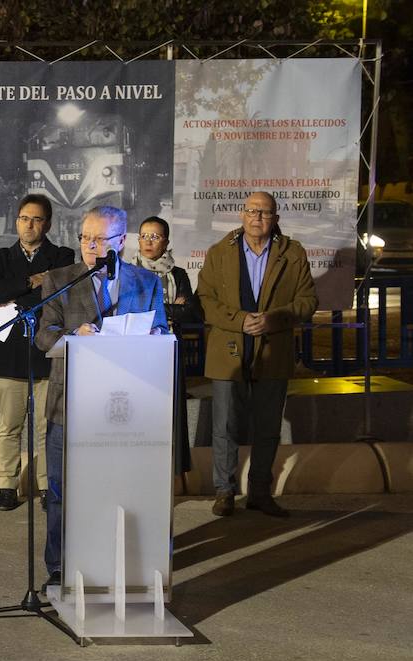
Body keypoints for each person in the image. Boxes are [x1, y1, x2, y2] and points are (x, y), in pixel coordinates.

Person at [34, 205, 168, 590]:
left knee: (120, 489)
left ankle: (120, 560)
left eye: (99, 239)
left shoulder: (145, 282)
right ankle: (59, 565)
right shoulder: (59, 279)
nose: (90, 246)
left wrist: (152, 338)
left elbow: (159, 328)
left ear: (120, 242)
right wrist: (76, 337)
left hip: (125, 406)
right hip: (70, 404)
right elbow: (44, 335)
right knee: (61, 491)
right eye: (85, 238)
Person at [198, 192, 317, 518]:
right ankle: (224, 491)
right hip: (227, 352)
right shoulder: (220, 252)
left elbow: (308, 301)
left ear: (275, 218)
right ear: (242, 215)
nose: (258, 218)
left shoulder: (292, 254)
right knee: (224, 426)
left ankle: (260, 492)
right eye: (252, 211)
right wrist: (239, 320)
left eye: (265, 212)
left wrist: (274, 319)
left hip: (273, 351)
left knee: (267, 427)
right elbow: (205, 299)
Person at [0, 193, 75, 511]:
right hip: (10, 351)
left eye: (36, 219)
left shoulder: (63, 255)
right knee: (10, 424)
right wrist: (31, 281)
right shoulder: (0, 257)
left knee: (47, 424)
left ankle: (49, 485)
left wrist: (19, 291)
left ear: (47, 224)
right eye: (23, 218)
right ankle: (7, 485)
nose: (28, 224)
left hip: (47, 351)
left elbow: (61, 296)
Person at [133, 216, 203, 476]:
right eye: (144, 236)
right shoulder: (128, 271)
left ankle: (170, 471)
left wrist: (158, 310)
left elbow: (191, 312)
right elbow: (128, 310)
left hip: (169, 352)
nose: (148, 242)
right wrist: (172, 308)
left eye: (155, 237)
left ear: (166, 241)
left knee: (170, 414)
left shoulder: (178, 274)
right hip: (136, 353)